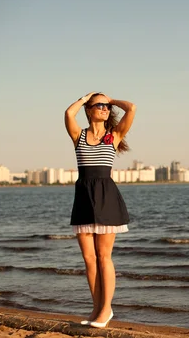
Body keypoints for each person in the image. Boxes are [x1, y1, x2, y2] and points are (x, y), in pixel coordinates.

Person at [64, 92, 136, 328]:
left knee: (104, 257)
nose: (104, 108)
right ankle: (97, 308)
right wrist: (85, 98)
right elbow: (68, 113)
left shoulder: (112, 136)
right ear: (89, 110)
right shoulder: (79, 136)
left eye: (107, 106)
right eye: (100, 105)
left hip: (106, 199)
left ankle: (106, 310)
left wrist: (112, 100)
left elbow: (132, 108)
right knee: (88, 258)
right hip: (84, 198)